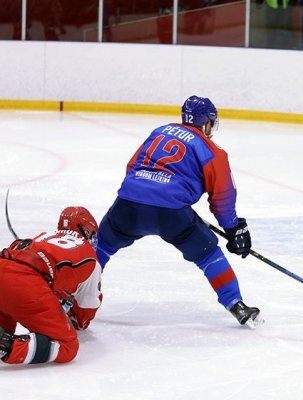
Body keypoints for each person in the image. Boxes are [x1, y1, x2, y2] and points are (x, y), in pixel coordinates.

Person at [96, 95, 261, 328]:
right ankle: (235, 303)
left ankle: (70, 292)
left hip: (129, 203)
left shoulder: (160, 131)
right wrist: (233, 228)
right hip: (171, 214)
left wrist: (146, 191)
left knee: (101, 245)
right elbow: (223, 197)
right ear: (206, 123)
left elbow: (133, 166)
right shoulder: (212, 150)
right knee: (208, 254)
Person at [0, 207, 102, 365]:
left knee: (4, 327)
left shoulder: (45, 235)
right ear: (87, 231)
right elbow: (84, 314)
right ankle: (6, 348)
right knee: (67, 346)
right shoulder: (90, 258)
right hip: (25, 281)